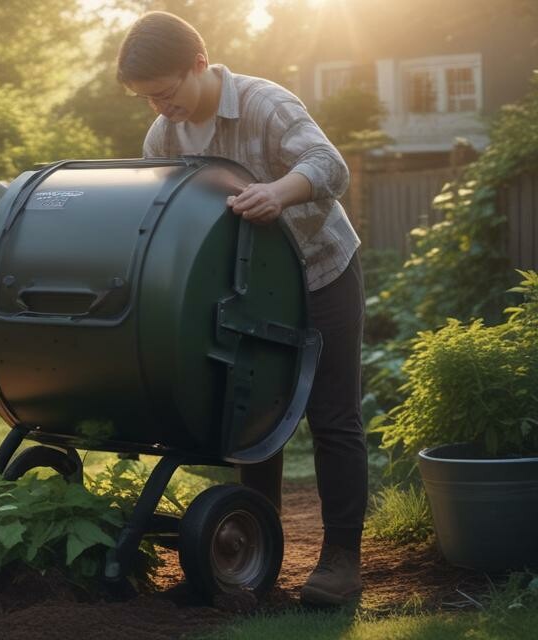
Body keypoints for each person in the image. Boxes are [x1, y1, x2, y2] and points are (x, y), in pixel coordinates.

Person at [115, 11, 367, 607]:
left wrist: (277, 192)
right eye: (147, 99)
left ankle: (341, 561)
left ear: (200, 65)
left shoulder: (265, 104)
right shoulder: (163, 138)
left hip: (320, 270)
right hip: (247, 291)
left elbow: (332, 167)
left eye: (166, 92)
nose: (159, 109)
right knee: (255, 422)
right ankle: (259, 553)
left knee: (332, 417)